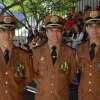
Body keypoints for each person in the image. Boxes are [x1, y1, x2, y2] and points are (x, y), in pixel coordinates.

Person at [31, 15, 78, 100]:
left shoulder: (71, 52)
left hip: (61, 96)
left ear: (62, 32)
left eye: (57, 31)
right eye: (51, 31)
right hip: (42, 97)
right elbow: (34, 74)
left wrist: (59, 84)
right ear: (46, 32)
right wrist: (45, 85)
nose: (54, 34)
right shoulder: (37, 51)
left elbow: (71, 75)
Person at [0, 16, 34, 100]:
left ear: (14, 33)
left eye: (10, 31)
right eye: (3, 31)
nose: (7, 35)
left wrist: (17, 87)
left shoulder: (24, 56)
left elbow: (29, 77)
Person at [77, 10, 100, 100]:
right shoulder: (80, 49)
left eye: (98, 26)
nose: (94, 29)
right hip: (84, 95)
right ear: (86, 28)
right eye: (91, 26)